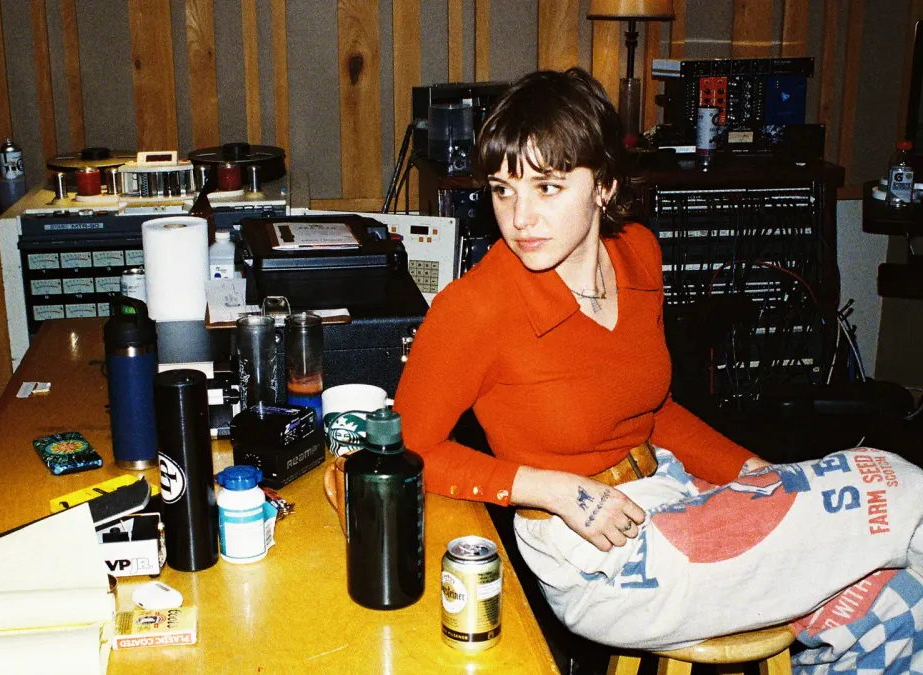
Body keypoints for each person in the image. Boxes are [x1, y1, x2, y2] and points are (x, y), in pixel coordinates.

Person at [394, 68, 923, 673]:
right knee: (894, 483)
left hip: (670, 494)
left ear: (603, 185)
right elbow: (403, 451)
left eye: (547, 187)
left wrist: (749, 471)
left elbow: (652, 410)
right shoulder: (474, 308)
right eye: (503, 189)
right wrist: (552, 490)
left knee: (902, 606)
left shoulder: (637, 254)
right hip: (589, 554)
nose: (520, 218)